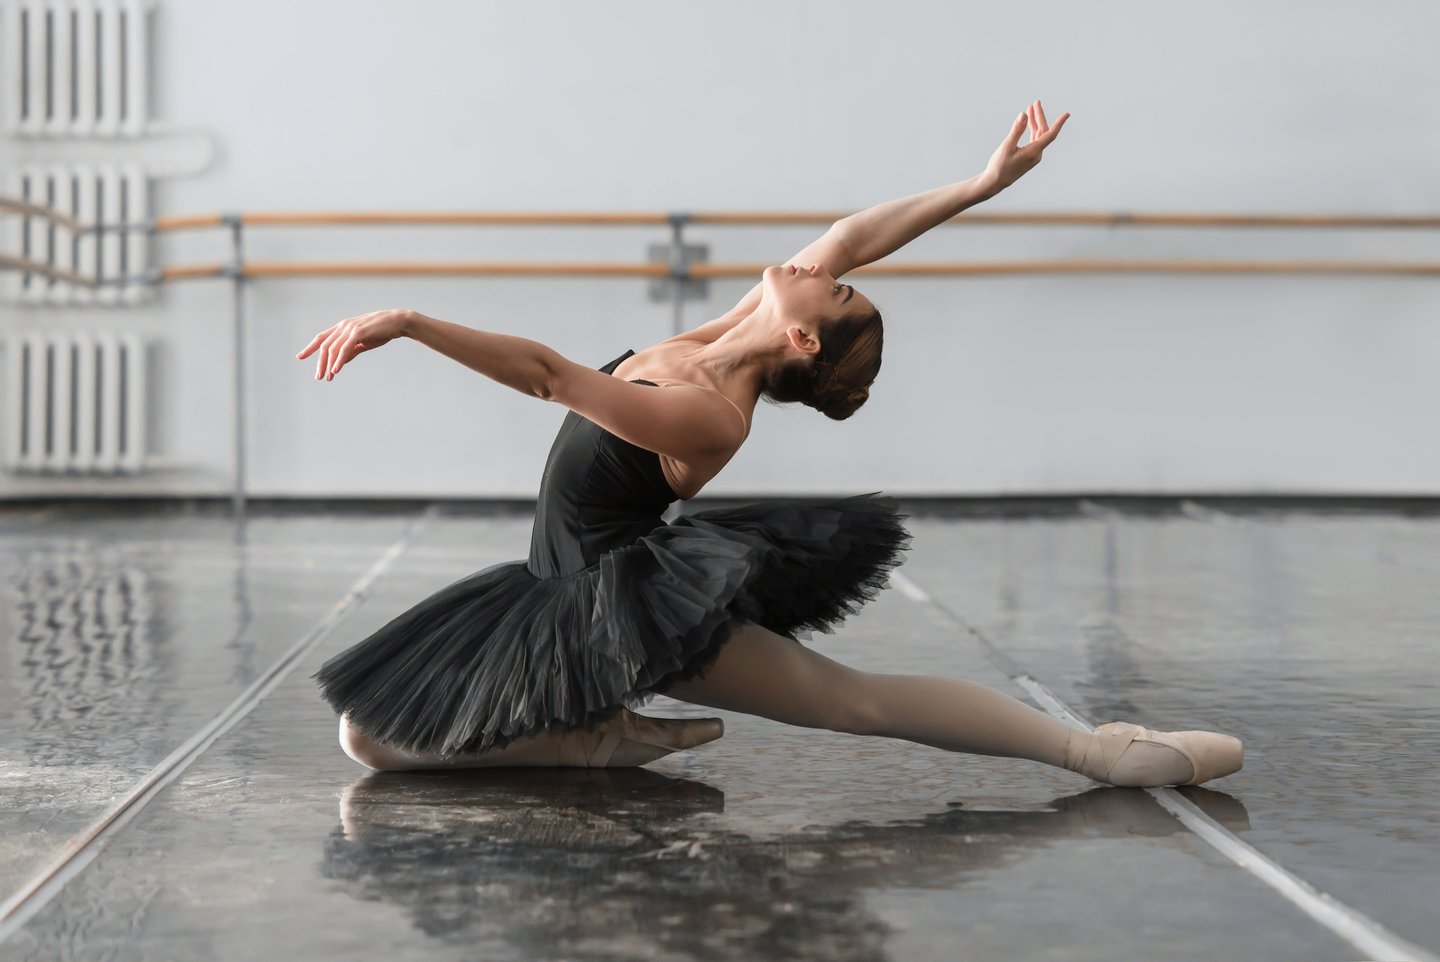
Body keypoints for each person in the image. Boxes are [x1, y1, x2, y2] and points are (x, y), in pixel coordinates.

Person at [296, 100, 1243, 788]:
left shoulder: (713, 413)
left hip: (629, 606)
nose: (816, 265)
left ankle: (1097, 750)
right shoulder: (716, 338)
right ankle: (596, 736)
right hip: (555, 585)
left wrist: (412, 323)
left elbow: (550, 376)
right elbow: (852, 233)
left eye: (828, 290)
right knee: (370, 737)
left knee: (851, 702)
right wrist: (982, 184)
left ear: (800, 341)